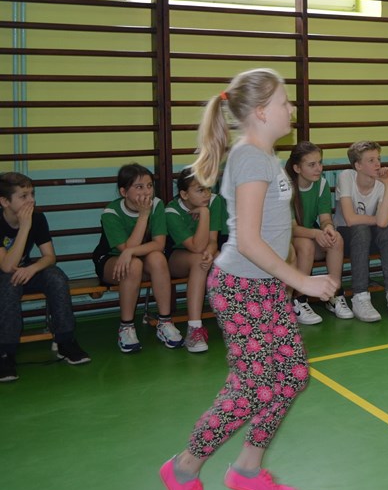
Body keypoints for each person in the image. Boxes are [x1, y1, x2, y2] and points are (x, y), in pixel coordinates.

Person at [159, 69, 338, 490]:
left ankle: (247, 468)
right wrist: (303, 281)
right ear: (260, 112)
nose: (291, 108)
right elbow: (250, 242)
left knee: (290, 375)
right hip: (242, 288)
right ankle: (183, 468)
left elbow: (273, 231)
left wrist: (287, 277)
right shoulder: (251, 159)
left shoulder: (265, 156)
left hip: (265, 287)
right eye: (284, 102)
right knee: (252, 387)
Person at [1, 171, 90, 381]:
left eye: (32, 194)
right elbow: (6, 266)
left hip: (24, 270)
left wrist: (32, 269)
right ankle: (5, 352)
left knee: (56, 277)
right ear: (4, 201)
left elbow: (50, 257)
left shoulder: (38, 218)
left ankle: (65, 341)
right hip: (4, 272)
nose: (31, 200)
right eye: (23, 196)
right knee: (9, 284)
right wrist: (24, 228)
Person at [92, 163, 183, 353]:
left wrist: (129, 251)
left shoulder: (157, 204)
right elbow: (125, 249)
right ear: (123, 192)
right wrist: (143, 216)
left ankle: (164, 322)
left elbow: (159, 244)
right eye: (139, 187)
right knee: (133, 265)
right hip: (112, 260)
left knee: (158, 258)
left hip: (141, 257)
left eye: (149, 186)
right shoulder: (111, 213)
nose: (146, 191)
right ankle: (126, 327)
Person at [333, 140, 388, 322]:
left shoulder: (381, 183)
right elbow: (350, 219)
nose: (377, 164)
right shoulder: (346, 177)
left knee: (387, 231)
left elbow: (382, 223)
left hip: (368, 238)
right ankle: (360, 296)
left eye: (378, 159)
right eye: (371, 160)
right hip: (345, 238)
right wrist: (385, 219)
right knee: (363, 228)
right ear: (358, 165)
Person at [285, 142, 350, 324]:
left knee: (336, 239)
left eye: (320, 163)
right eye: (312, 165)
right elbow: (291, 228)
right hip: (287, 240)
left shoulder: (321, 184)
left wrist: (328, 228)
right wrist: (315, 234)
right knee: (306, 245)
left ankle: (333, 294)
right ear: (297, 168)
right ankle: (298, 299)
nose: (319, 168)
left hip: (309, 235)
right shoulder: (286, 187)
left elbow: (325, 218)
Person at [165, 168, 227, 354]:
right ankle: (194, 329)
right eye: (200, 190)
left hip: (203, 252)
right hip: (176, 259)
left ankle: (234, 319)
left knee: (221, 259)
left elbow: (213, 240)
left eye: (208, 188)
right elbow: (195, 246)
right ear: (184, 194)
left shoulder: (215, 201)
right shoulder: (171, 211)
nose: (206, 194)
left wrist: (210, 253)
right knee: (200, 260)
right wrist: (205, 214)